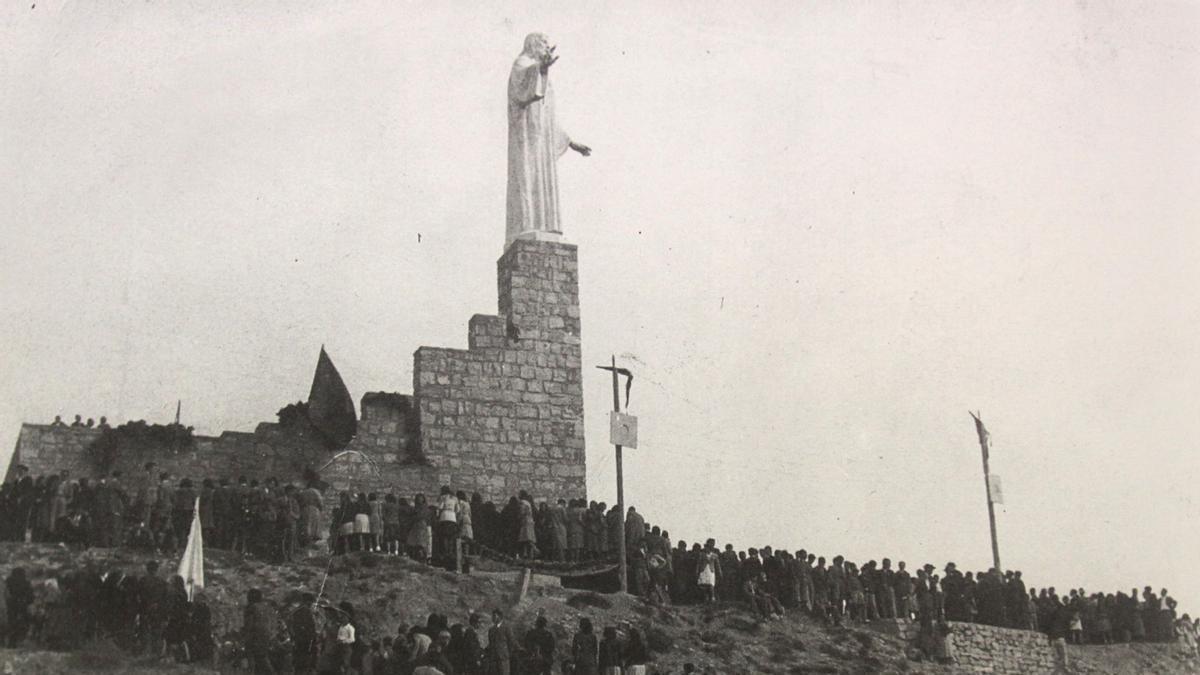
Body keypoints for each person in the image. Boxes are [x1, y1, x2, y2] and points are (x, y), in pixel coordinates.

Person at [243, 589, 278, 674]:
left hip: (254, 637)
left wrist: (245, 638)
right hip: (266, 637)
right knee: (263, 658)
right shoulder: (267, 607)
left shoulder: (250, 608)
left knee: (251, 660)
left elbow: (249, 625)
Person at [290, 593, 319, 675]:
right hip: (306, 643)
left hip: (299, 642)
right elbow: (311, 629)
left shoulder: (296, 612)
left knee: (300, 666)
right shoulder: (306, 612)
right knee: (305, 666)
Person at [5, 567, 34, 647]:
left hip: (11, 605)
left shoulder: (9, 581)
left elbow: (5, 593)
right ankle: (18, 641)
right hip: (22, 605)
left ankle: (12, 641)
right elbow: (31, 597)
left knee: (12, 623)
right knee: (22, 623)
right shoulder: (26, 582)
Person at [487, 609, 518, 675]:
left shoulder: (507, 628)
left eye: (494, 616)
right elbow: (491, 643)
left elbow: (512, 641)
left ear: (500, 617)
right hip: (493, 658)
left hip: (503, 658)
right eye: (492, 616)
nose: (492, 618)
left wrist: (507, 653)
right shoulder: (491, 630)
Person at [697, 539, 721, 604]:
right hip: (703, 570)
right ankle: (705, 598)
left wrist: (720, 572)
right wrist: (697, 571)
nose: (708, 549)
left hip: (711, 571)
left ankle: (712, 598)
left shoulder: (714, 555)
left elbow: (717, 565)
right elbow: (698, 563)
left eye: (709, 548)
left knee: (711, 584)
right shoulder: (701, 554)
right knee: (703, 584)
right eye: (706, 547)